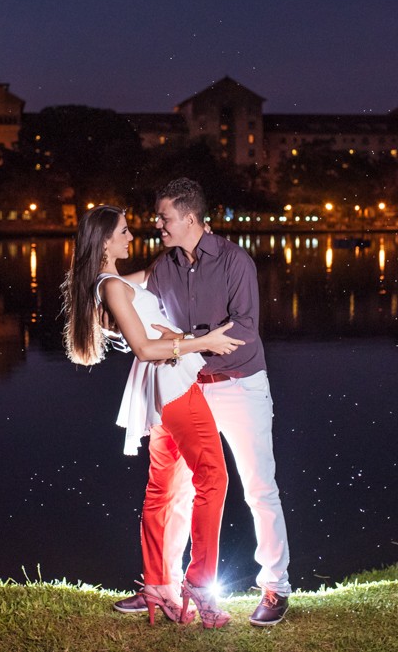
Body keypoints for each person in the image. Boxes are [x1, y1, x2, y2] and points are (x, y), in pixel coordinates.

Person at [112, 177, 292, 626]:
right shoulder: (163, 266)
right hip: (188, 388)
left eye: (164, 218)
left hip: (240, 384)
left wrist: (183, 340)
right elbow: (118, 288)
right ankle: (162, 586)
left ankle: (275, 587)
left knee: (258, 487)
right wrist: (97, 283)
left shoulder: (235, 262)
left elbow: (243, 330)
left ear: (190, 218)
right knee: (175, 488)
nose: (158, 225)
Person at [61, 204, 240, 628]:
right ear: (105, 240)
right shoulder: (113, 287)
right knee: (212, 478)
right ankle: (198, 582)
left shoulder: (114, 284)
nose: (130, 236)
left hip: (160, 390)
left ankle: (159, 584)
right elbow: (142, 347)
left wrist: (195, 241)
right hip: (174, 388)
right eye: (123, 231)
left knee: (163, 487)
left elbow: (156, 293)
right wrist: (203, 341)